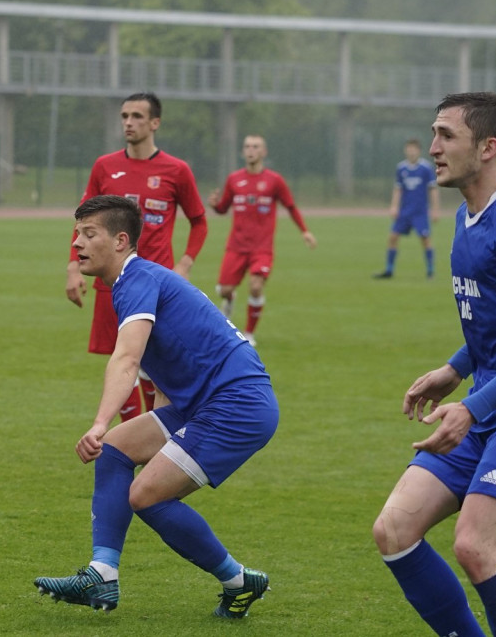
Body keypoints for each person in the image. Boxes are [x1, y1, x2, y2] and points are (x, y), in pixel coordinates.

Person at [372, 92, 496, 637]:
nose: (432, 148)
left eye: (445, 136)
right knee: (394, 529)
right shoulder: (469, 213)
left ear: (486, 148)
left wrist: (471, 407)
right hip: (488, 398)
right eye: (433, 134)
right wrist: (456, 368)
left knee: (477, 548)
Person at [35, 195, 278, 619]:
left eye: (89, 234)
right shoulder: (133, 283)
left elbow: (127, 359)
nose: (77, 243)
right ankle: (102, 574)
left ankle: (240, 581)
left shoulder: (136, 280)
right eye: (77, 233)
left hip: (234, 404)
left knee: (145, 496)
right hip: (203, 401)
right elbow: (166, 364)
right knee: (115, 450)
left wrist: (97, 421)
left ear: (121, 241)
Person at [66, 92, 207, 422]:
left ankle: (152, 436)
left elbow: (198, 221)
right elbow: (83, 222)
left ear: (155, 123)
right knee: (120, 358)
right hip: (111, 282)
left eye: (137, 116)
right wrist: (73, 266)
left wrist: (184, 264)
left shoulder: (177, 170)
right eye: (124, 116)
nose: (128, 122)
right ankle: (131, 437)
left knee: (154, 364)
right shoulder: (105, 166)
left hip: (157, 285)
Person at [208, 134, 316, 346]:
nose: (251, 150)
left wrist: (305, 231)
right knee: (224, 290)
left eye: (255, 147)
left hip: (261, 248)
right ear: (242, 151)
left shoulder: (274, 181)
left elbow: (291, 206)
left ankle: (248, 333)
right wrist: (214, 205)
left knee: (256, 287)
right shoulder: (234, 179)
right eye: (247, 146)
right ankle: (229, 300)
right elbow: (223, 209)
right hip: (236, 246)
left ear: (264, 152)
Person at [372, 139, 440, 279]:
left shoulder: (425, 168)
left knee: (425, 239)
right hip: (405, 212)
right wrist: (394, 206)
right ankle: (389, 270)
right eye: (409, 149)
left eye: (414, 149)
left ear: (419, 151)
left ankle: (430, 270)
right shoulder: (401, 168)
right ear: (405, 150)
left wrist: (435, 209)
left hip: (420, 212)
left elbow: (432, 190)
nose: (411, 151)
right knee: (392, 237)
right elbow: (398, 189)